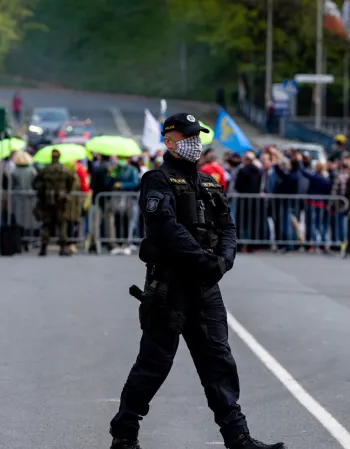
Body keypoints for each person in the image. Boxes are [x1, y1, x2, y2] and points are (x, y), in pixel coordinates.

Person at [109, 113, 285, 449]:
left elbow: (227, 227)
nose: (195, 143)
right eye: (187, 137)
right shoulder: (157, 181)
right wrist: (207, 262)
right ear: (169, 141)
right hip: (170, 287)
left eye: (197, 137)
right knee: (154, 364)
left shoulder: (207, 182)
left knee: (219, 361)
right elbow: (166, 230)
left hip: (205, 286)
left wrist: (224, 261)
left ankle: (239, 438)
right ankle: (124, 434)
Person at [32, 149, 75, 256]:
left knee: (46, 224)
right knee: (62, 224)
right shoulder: (64, 170)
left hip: (47, 200)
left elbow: (35, 183)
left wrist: (42, 191)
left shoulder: (45, 169)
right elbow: (72, 180)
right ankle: (63, 247)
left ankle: (43, 246)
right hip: (61, 199)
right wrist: (66, 191)